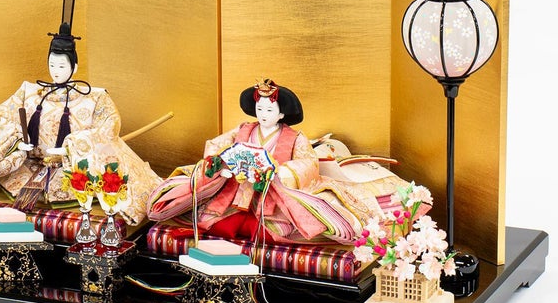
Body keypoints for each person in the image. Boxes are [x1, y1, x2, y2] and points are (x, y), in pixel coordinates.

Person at [0, 0, 162, 226]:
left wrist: (73, 146)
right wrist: (17, 140)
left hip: (71, 173)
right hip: (26, 169)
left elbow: (108, 127)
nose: (55, 71)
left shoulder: (94, 98)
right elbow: (1, 115)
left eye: (62, 65)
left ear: (74, 67)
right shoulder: (30, 92)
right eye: (52, 64)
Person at [146, 78, 412, 245]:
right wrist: (221, 164)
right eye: (260, 109)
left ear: (282, 113)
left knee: (276, 228)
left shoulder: (294, 138)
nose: (263, 114)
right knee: (217, 219)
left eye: (269, 109)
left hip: (272, 195)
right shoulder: (243, 130)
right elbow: (217, 146)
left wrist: (280, 173)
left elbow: (308, 163)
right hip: (236, 190)